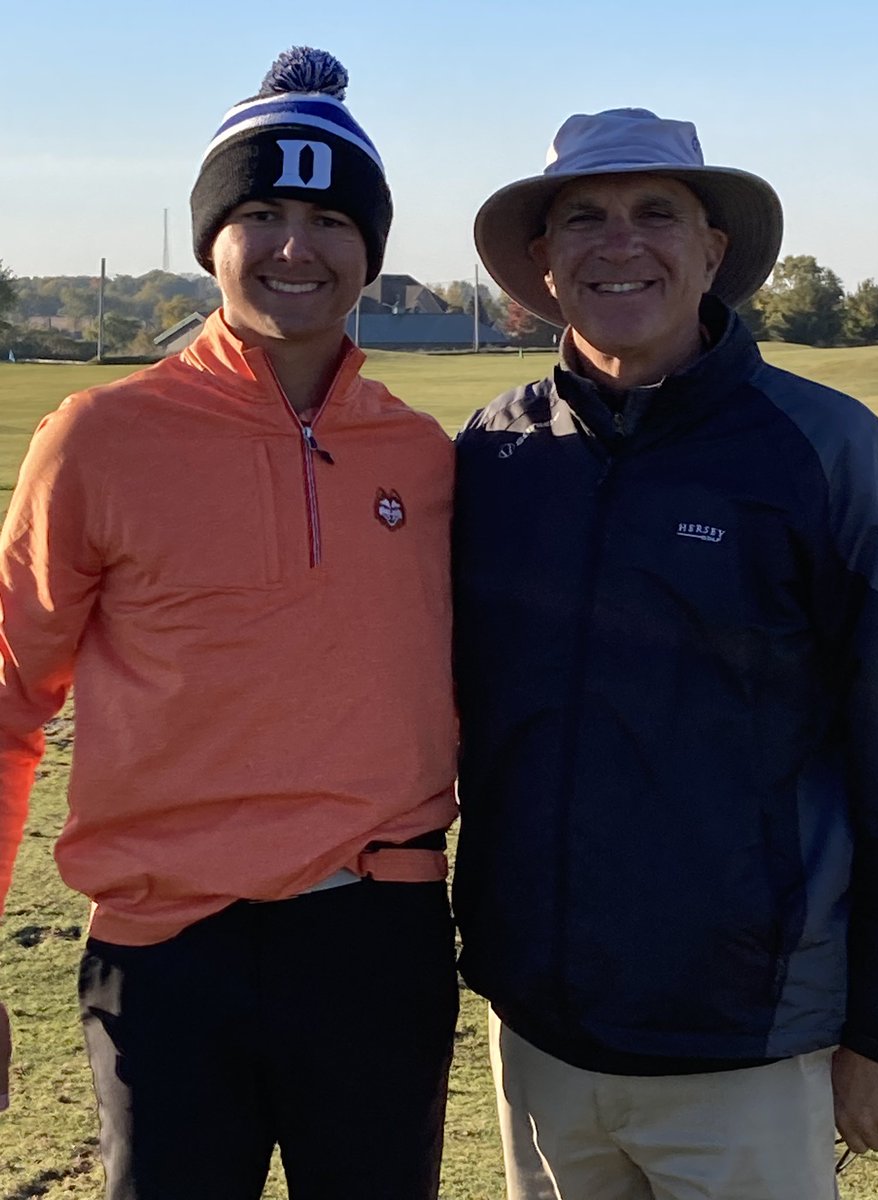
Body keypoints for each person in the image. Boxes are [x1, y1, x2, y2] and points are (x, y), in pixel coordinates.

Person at [0, 46, 458, 1200]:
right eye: (260, 211)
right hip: (166, 958)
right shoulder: (97, 438)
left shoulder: (429, 458)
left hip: (375, 940)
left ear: (372, 249)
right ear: (210, 239)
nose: (296, 245)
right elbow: (10, 698)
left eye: (329, 216)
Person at [452, 107, 878, 1199]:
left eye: (659, 213)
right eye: (583, 218)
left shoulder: (826, 451)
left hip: (749, 1043)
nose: (621, 242)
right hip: (544, 1042)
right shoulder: (492, 456)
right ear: (542, 265)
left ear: (714, 251)